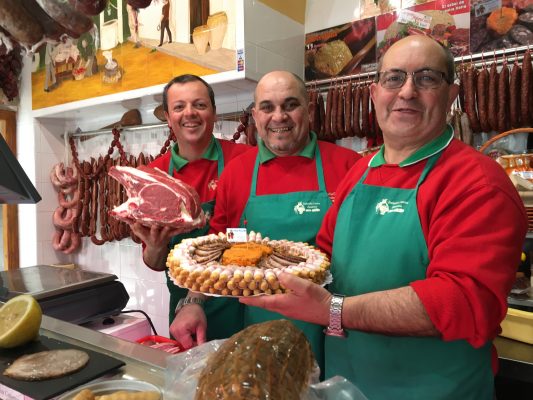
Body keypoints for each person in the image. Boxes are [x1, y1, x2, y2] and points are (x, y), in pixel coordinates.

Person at [240, 36, 527, 399]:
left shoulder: (477, 182)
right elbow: (323, 260)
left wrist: (333, 310)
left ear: (451, 94)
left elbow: (462, 301)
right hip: (348, 387)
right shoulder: (358, 174)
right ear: (375, 93)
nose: (407, 91)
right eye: (394, 78)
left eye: (426, 78)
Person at [173, 70, 361, 370]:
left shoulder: (349, 166)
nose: (279, 117)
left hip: (337, 330)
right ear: (255, 115)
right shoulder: (237, 173)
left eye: (290, 105)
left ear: (309, 110)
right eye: (267, 107)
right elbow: (221, 247)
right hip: (262, 332)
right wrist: (193, 304)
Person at [129, 74, 250, 342]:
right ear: (169, 118)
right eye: (179, 107)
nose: (190, 114)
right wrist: (157, 247)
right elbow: (154, 262)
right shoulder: (154, 176)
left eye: (199, 105)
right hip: (185, 312)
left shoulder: (244, 160)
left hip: (243, 306)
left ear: (214, 113)